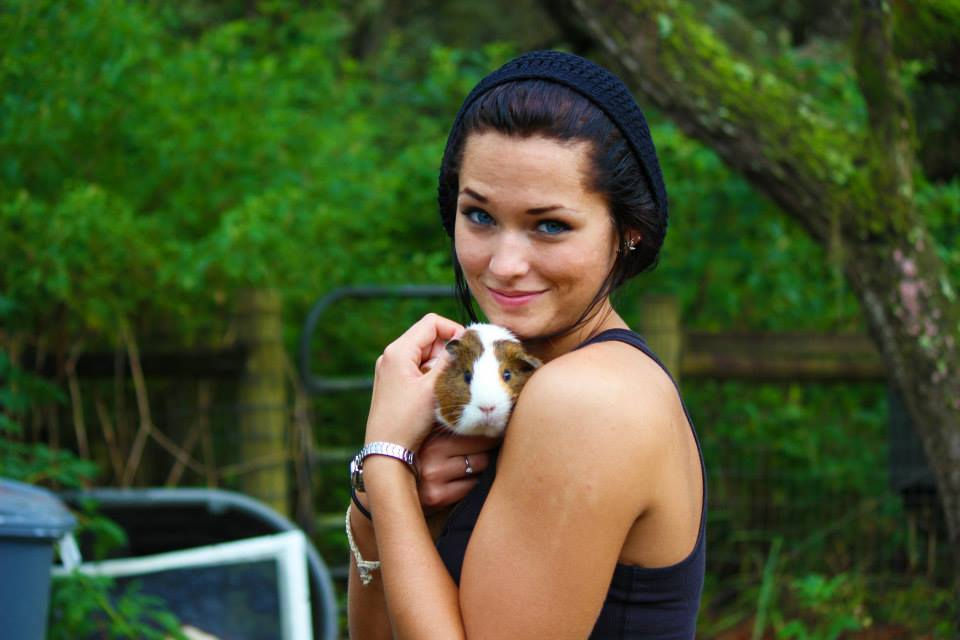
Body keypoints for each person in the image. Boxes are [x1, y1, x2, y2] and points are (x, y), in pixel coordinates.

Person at [346, 50, 706, 639]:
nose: (506, 264)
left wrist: (384, 458)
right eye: (479, 216)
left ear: (628, 232)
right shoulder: (516, 393)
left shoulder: (588, 399)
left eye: (550, 225)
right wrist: (386, 504)